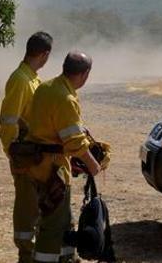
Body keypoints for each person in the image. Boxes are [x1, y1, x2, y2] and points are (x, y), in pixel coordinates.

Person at [22, 51, 103, 263]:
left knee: (64, 219)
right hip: (53, 170)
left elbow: (47, 122)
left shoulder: (46, 87)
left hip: (35, 165)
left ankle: (68, 259)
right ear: (85, 74)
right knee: (53, 225)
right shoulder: (66, 98)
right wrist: (93, 166)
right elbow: (74, 142)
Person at [0, 31, 52, 263]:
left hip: (37, 159)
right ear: (45, 54)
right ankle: (26, 256)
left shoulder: (32, 78)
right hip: (25, 159)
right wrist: (13, 156)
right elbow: (8, 122)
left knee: (38, 211)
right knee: (26, 211)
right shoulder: (20, 80)